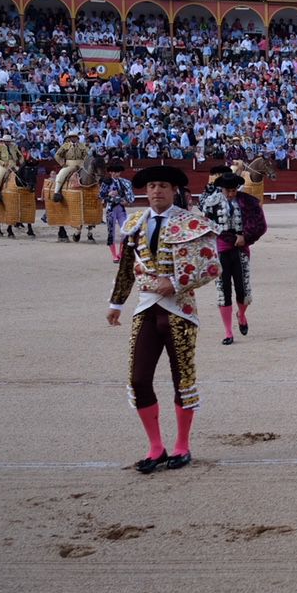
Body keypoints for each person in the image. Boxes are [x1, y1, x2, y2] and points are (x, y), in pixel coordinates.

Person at [106, 166, 220, 474]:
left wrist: (178, 284)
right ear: (146, 190)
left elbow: (211, 265)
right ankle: (156, 447)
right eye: (152, 185)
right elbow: (127, 266)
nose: (157, 190)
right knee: (138, 379)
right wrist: (116, 303)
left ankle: (182, 445)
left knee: (182, 378)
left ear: (174, 191)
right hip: (145, 307)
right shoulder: (134, 224)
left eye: (163, 186)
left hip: (180, 310)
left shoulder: (190, 222)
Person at [201, 172, 268, 345]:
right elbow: (205, 226)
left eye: (233, 191)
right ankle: (228, 332)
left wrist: (245, 237)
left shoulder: (247, 201)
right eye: (227, 191)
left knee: (243, 289)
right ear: (221, 189)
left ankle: (241, 314)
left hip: (240, 249)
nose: (231, 194)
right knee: (223, 291)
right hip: (221, 249)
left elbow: (260, 224)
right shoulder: (211, 203)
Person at [99, 163, 135, 263]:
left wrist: (126, 201)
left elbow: (129, 197)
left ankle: (120, 254)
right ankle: (114, 255)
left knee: (125, 230)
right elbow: (101, 196)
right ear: (111, 172)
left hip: (121, 209)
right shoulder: (106, 182)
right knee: (111, 233)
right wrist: (108, 195)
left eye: (118, 172)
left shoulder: (124, 182)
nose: (116, 174)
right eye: (114, 172)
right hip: (110, 209)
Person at [51, 129, 89, 202]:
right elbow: (57, 155)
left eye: (74, 137)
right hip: (69, 165)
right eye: (71, 137)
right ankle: (56, 193)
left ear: (77, 138)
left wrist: (85, 163)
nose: (73, 138)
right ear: (69, 138)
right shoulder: (65, 146)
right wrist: (62, 163)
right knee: (60, 175)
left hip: (81, 165)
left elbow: (87, 156)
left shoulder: (83, 146)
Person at [0, 134, 23, 204]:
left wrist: (21, 163)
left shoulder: (14, 147)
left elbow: (20, 156)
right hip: (4, 165)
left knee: (22, 176)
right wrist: (2, 163)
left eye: (8, 141)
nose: (7, 142)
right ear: (3, 141)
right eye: (6, 141)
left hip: (13, 165)